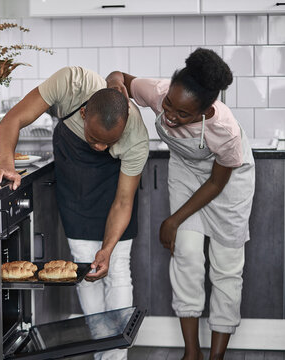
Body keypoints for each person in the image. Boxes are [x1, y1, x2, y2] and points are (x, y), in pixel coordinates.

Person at [0, 66, 149, 360]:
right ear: (83, 114)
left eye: (108, 142)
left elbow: (123, 202)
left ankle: (115, 357)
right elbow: (13, 119)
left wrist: (107, 247)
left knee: (117, 266)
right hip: (76, 183)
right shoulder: (70, 83)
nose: (99, 146)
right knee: (85, 266)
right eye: (94, 138)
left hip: (116, 184)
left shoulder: (136, 138)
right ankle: (101, 349)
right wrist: (6, 164)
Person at [106, 48, 255, 360]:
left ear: (205, 111)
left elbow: (217, 183)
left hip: (227, 184)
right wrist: (114, 86)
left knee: (226, 268)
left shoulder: (225, 132)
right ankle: (192, 353)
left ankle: (216, 356)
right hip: (186, 171)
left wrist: (173, 219)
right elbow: (119, 76)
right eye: (169, 106)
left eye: (183, 114)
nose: (170, 116)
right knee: (185, 255)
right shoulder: (159, 91)